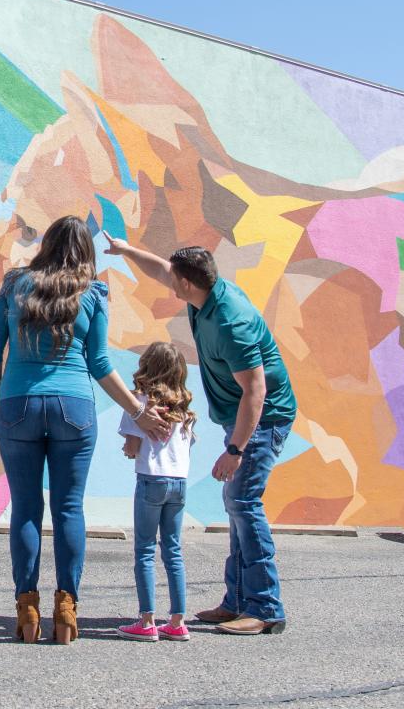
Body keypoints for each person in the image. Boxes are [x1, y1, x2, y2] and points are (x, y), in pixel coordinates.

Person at [0, 216, 169, 644]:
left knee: (26, 508)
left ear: (46, 245)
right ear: (86, 250)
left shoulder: (14, 286)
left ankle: (26, 609)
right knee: (69, 508)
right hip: (73, 407)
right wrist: (139, 412)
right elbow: (100, 365)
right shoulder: (93, 292)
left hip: (18, 404)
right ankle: (66, 610)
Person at [103, 235, 297, 635]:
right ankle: (237, 601)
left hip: (263, 418)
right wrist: (126, 250)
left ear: (188, 283)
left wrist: (235, 449)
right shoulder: (202, 295)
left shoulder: (231, 321)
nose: (167, 279)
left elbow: (255, 391)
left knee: (243, 501)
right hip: (240, 417)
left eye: (174, 277)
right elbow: (161, 268)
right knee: (236, 504)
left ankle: (265, 608)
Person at [116, 342, 196, 643]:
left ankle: (147, 620)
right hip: (179, 483)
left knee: (145, 550)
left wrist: (128, 447)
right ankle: (177, 621)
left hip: (150, 480)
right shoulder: (184, 409)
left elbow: (132, 446)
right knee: (173, 551)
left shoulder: (140, 402)